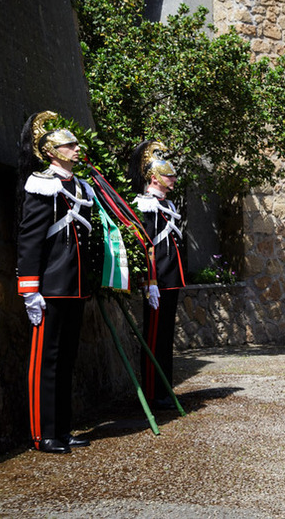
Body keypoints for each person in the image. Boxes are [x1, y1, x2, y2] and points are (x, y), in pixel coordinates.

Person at [17, 111, 95, 454]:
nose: (76, 149)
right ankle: (42, 433)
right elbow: (30, 238)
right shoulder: (42, 184)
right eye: (69, 145)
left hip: (74, 285)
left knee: (66, 360)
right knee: (45, 361)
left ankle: (62, 430)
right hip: (49, 286)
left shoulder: (79, 186)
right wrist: (30, 289)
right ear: (51, 151)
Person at [131, 140, 186, 408]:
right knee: (153, 338)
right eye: (168, 175)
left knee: (165, 337)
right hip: (157, 280)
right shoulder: (145, 205)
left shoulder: (169, 205)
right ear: (154, 178)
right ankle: (153, 392)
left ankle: (165, 388)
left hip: (171, 278)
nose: (173, 179)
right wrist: (148, 281)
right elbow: (146, 246)